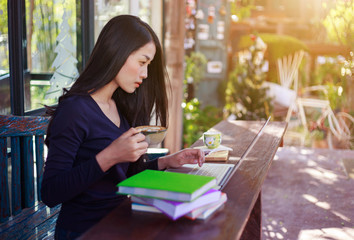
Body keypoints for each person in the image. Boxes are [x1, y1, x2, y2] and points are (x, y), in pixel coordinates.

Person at [41, 15, 205, 240]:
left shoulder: (118, 106)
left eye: (148, 65)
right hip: (85, 231)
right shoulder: (75, 110)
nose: (145, 74)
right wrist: (110, 156)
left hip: (121, 221)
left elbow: (124, 177)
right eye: (142, 62)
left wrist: (167, 161)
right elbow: (51, 192)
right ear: (118, 52)